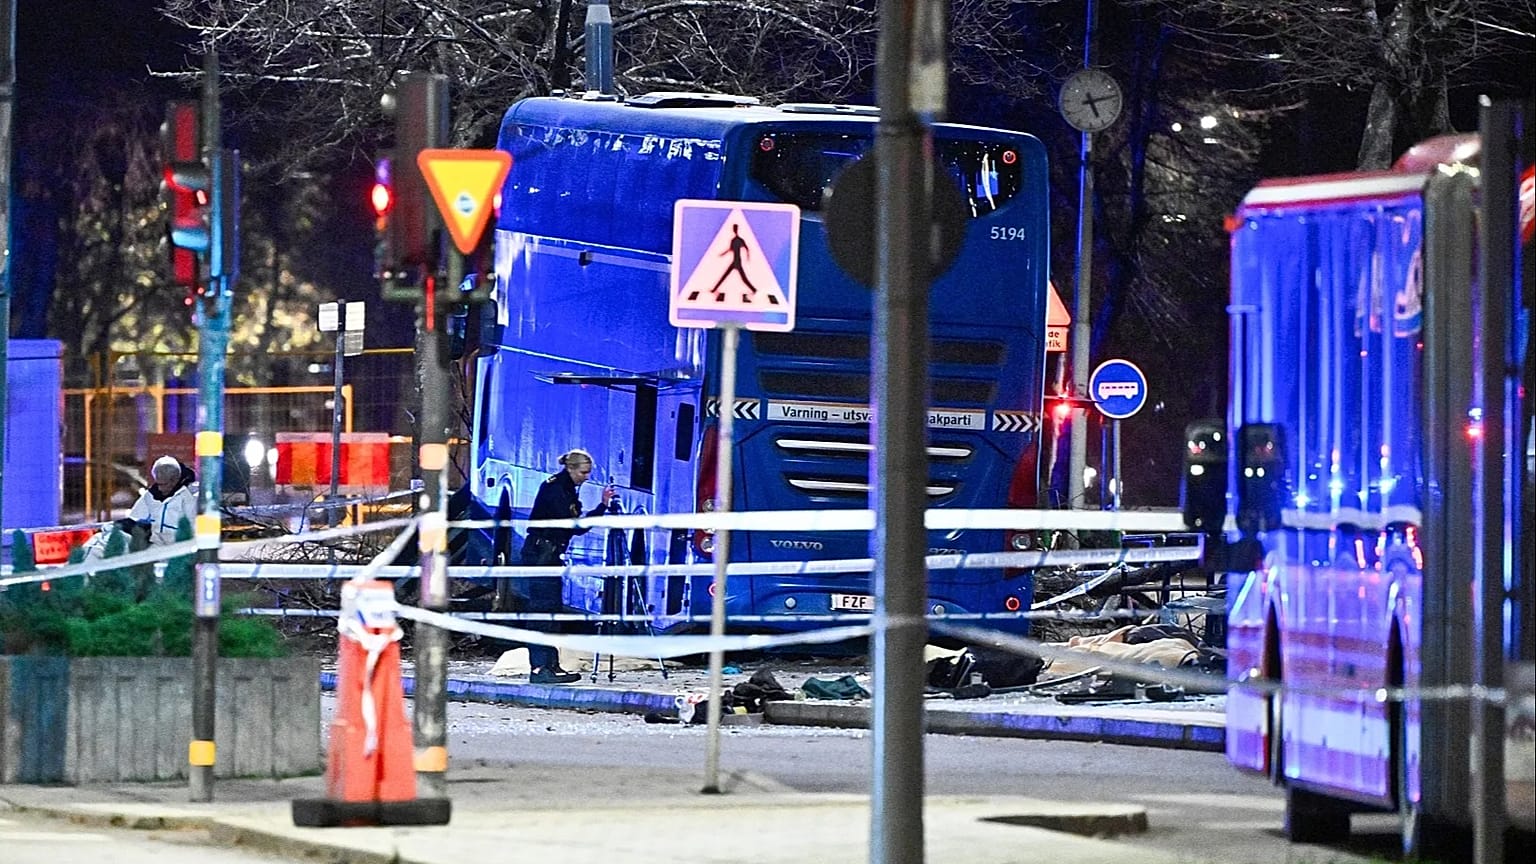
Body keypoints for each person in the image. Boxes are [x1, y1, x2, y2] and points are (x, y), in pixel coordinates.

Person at [518, 448, 616, 684]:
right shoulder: (556, 489)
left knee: (551, 610)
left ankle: (551, 664)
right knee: (542, 611)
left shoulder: (566, 488)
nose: (587, 476)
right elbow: (574, 525)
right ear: (571, 468)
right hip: (542, 553)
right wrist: (601, 508)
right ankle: (540, 668)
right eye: (583, 472)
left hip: (550, 553)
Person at [128, 455, 198, 546]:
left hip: (180, 547)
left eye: (164, 484)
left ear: (174, 480)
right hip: (154, 546)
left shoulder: (189, 497)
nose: (160, 489)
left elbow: (194, 528)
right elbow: (136, 518)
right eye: (158, 483)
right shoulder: (151, 495)